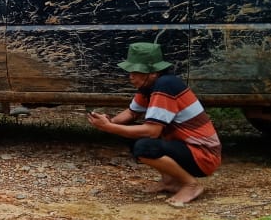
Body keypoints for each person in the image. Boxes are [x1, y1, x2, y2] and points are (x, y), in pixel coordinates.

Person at [86, 42, 221, 207]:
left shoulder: (165, 86)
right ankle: (170, 181)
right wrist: (109, 122)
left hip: (203, 155)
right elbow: (131, 113)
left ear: (153, 73)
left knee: (144, 147)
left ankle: (190, 185)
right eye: (130, 71)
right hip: (185, 147)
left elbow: (152, 132)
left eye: (136, 72)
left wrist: (110, 127)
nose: (131, 76)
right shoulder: (148, 88)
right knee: (130, 135)